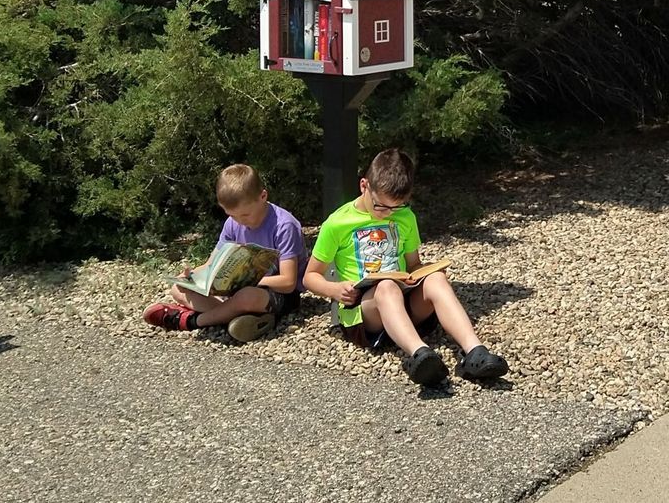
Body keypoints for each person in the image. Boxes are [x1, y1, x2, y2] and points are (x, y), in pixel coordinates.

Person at [301, 147, 508, 386]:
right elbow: (310, 277)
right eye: (380, 206)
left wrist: (424, 273)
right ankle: (420, 354)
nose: (388, 213)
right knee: (387, 286)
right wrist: (335, 290)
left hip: (403, 301)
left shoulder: (406, 217)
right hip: (364, 313)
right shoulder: (337, 223)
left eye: (396, 207)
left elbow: (413, 265)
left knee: (436, 280)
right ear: (364, 186)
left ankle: (474, 351)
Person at [144, 163, 304, 342]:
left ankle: (191, 321)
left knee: (246, 296)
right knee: (177, 288)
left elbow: (288, 282)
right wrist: (192, 276)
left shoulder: (284, 226)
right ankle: (235, 316)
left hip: (279, 295)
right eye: (232, 215)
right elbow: (212, 264)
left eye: (245, 215)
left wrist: (247, 282)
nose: (239, 221)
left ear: (263, 196)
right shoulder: (232, 223)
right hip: (236, 293)